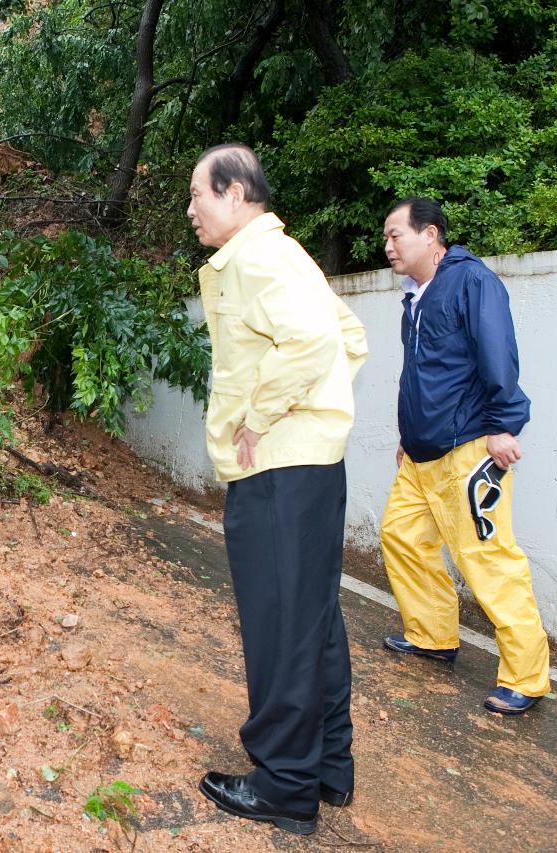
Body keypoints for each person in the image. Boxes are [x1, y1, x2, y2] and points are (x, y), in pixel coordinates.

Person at [188, 144, 368, 836]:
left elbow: (319, 339)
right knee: (313, 619)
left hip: (279, 470)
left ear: (235, 193)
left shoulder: (260, 257)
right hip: (307, 463)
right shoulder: (283, 254)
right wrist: (316, 412)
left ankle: (286, 784)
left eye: (198, 194)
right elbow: (347, 335)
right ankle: (326, 766)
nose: (191, 209)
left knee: (280, 626)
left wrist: (260, 419)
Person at [379, 197, 550, 715]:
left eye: (395, 236)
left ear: (430, 235)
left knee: (488, 560)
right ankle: (433, 636)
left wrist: (503, 425)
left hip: (470, 448)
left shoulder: (473, 282)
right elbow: (426, 374)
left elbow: (497, 353)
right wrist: (409, 434)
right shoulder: (417, 294)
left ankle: (526, 677)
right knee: (401, 535)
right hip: (423, 453)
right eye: (386, 238)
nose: (387, 247)